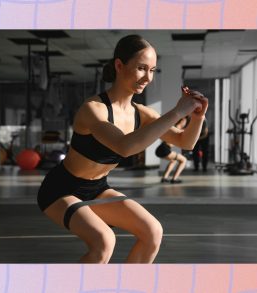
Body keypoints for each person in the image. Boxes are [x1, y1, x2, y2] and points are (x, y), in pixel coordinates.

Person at [37, 35, 208, 264]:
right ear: (119, 66)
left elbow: (185, 142)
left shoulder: (142, 114)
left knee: (152, 232)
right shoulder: (93, 109)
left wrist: (198, 117)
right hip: (61, 189)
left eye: (152, 70)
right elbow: (125, 147)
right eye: (141, 68)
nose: (147, 77)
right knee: (103, 242)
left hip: (97, 187)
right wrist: (177, 112)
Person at [155, 117, 188, 184]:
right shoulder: (178, 127)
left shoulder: (176, 127)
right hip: (165, 149)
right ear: (182, 120)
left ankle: (164, 178)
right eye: (185, 121)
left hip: (161, 149)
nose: (185, 123)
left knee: (173, 161)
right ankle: (174, 179)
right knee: (184, 160)